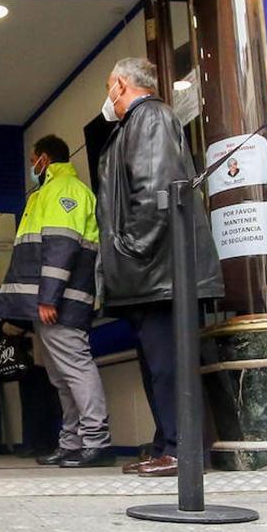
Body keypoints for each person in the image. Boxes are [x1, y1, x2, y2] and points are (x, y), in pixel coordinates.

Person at [95, 58, 224, 478]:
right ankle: (167, 445)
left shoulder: (149, 118)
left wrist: (127, 251)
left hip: (158, 272)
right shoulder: (134, 124)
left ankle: (181, 449)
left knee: (168, 366)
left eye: (109, 86)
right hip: (151, 274)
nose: (108, 96)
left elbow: (154, 193)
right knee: (157, 366)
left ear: (119, 85)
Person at [0, 135, 114, 468]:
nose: (31, 166)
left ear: (44, 159)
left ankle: (97, 441)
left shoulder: (65, 190)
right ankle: (72, 441)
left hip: (60, 301)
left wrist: (48, 297)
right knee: (61, 376)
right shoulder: (47, 191)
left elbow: (62, 246)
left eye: (33, 159)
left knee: (75, 368)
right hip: (51, 302)